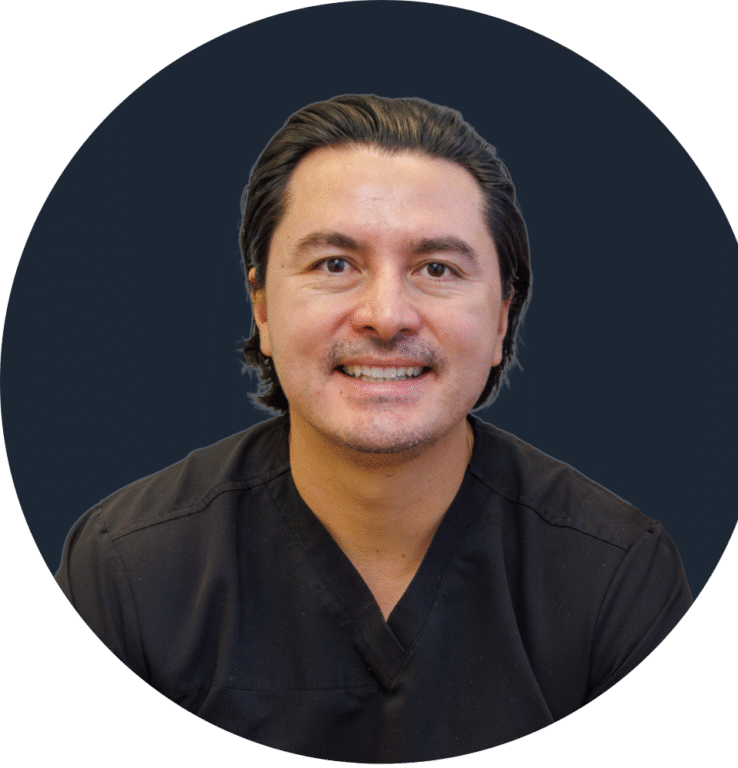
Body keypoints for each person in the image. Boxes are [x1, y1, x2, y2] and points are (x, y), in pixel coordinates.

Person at [55, 94, 692, 761]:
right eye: (335, 264)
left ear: (503, 318)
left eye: (437, 269)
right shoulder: (127, 570)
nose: (386, 316)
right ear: (262, 307)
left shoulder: (617, 578)